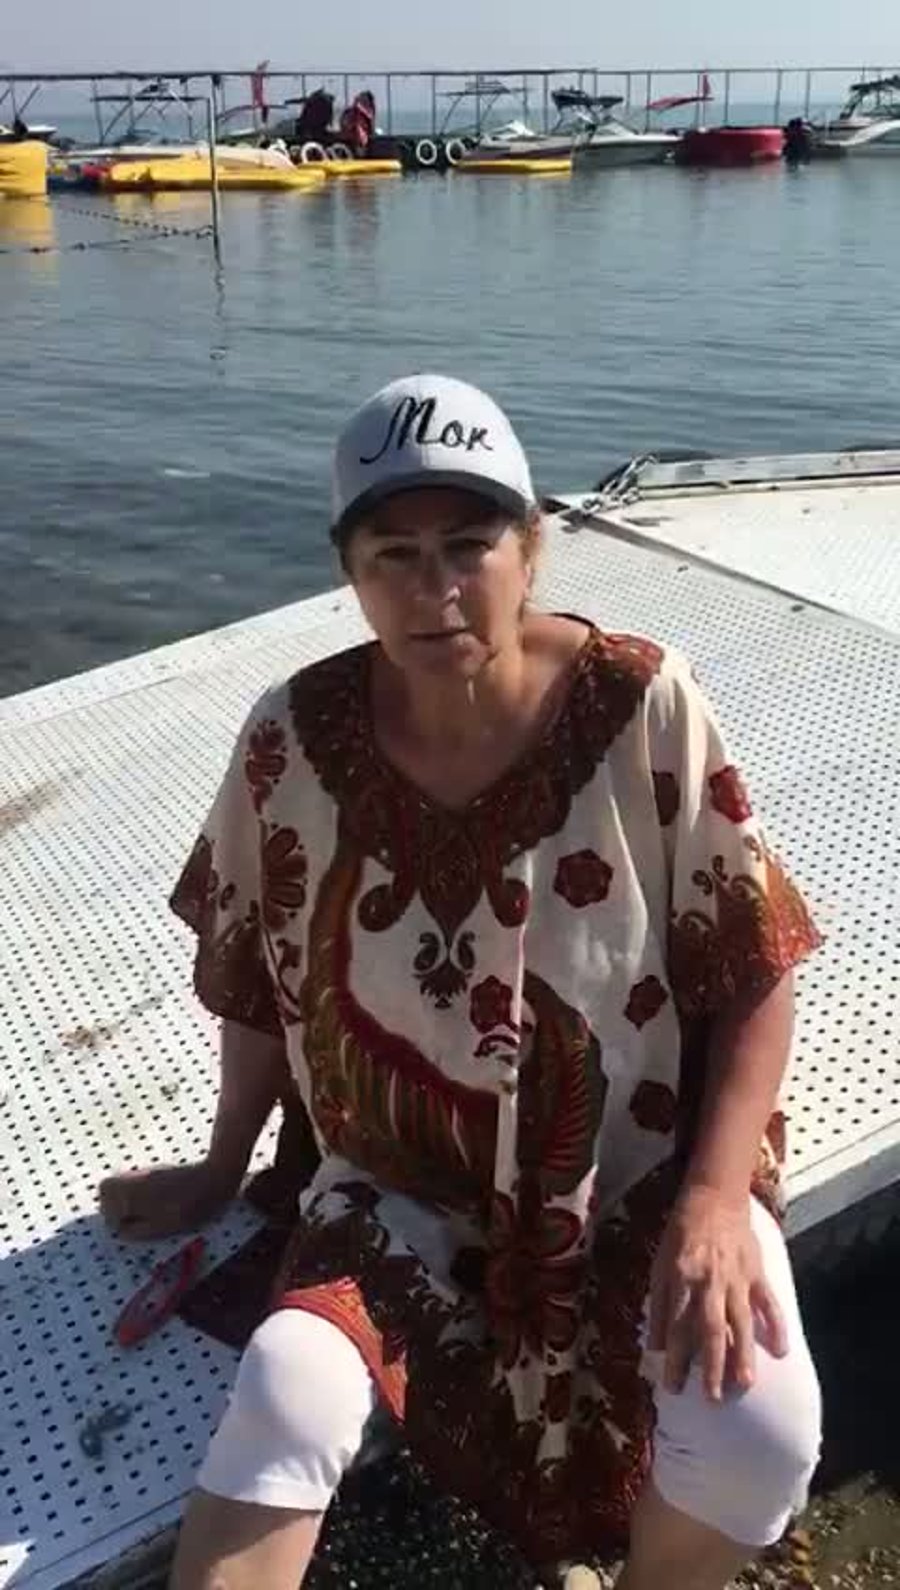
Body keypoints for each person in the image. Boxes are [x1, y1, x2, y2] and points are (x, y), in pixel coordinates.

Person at [100, 375, 823, 1590]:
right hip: (398, 1182)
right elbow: (261, 979)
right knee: (283, 1395)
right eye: (393, 553)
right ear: (349, 572)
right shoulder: (290, 738)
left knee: (761, 1430)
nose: (432, 588)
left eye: (468, 545)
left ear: (531, 548)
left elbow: (752, 964)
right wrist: (223, 1170)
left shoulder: (643, 700)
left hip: (636, 1165)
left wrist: (712, 1201)